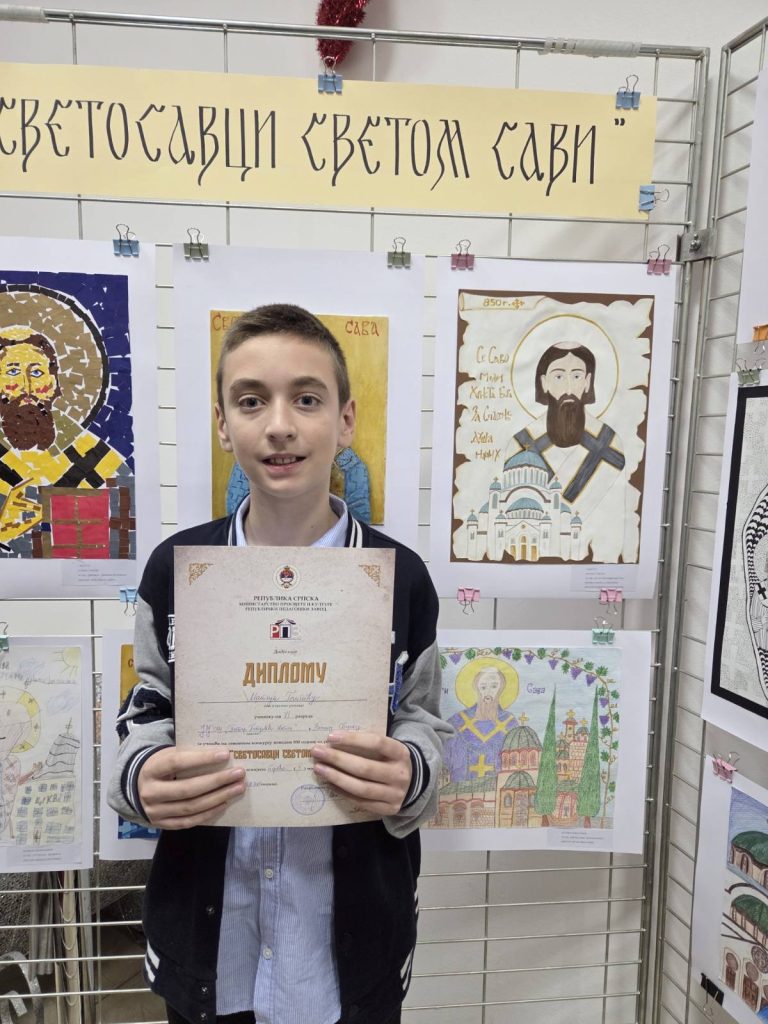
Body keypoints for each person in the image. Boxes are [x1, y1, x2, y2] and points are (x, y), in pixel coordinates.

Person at [107, 304, 451, 1024]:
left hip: (345, 954)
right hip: (214, 942)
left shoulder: (402, 578)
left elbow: (422, 718)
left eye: (307, 399)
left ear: (346, 421)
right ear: (222, 424)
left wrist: (410, 771)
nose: (280, 425)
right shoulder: (176, 570)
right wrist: (142, 776)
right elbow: (147, 708)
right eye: (251, 401)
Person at [508, 341, 634, 562]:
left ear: (587, 382)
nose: (568, 388)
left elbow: (614, 520)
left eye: (576, 376)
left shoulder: (611, 444)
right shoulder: (519, 445)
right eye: (558, 376)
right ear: (544, 383)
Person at [0, 330, 127, 550]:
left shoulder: (97, 459)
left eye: (37, 372)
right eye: (12, 371)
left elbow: (121, 534)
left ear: (54, 384)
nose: (26, 386)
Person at [443, 665, 517, 782]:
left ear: (501, 689)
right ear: (476, 689)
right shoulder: (457, 722)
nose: (488, 692)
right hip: (460, 789)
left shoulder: (510, 724)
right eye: (483, 687)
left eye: (494, 686)